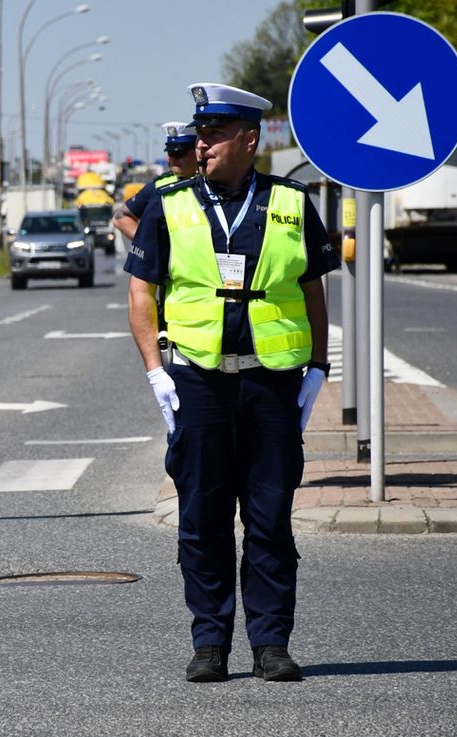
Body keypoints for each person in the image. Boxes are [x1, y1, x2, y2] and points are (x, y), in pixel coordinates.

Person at [124, 83, 340, 683]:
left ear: (249, 139)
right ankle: (210, 642)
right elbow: (142, 291)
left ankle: (271, 643)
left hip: (271, 385)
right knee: (203, 517)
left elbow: (312, 290)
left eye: (215, 134)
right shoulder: (170, 203)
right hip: (197, 382)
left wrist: (318, 368)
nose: (203, 143)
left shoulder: (292, 204)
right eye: (201, 133)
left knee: (270, 517)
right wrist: (154, 372)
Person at [112, 121, 200, 241]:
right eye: (171, 153)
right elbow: (120, 218)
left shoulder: (212, 182)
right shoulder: (159, 186)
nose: (173, 159)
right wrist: (148, 245)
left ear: (197, 151)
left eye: (180, 153)